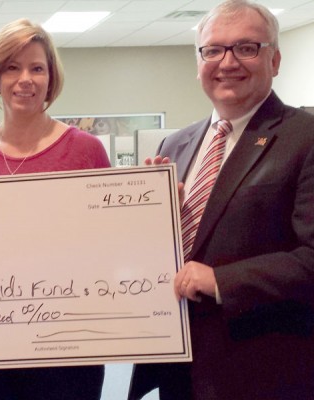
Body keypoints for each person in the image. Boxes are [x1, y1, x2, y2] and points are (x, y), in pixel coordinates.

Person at [128, 1, 314, 399]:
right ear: (199, 63)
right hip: (180, 369)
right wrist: (160, 220)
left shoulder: (305, 137)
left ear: (275, 59)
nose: (227, 62)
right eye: (213, 50)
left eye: (246, 47)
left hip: (263, 369)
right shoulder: (176, 143)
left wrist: (221, 281)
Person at [0, 19, 109, 400]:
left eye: (37, 68)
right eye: (12, 67)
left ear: (51, 78)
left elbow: (106, 243)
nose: (26, 79)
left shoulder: (86, 151)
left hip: (69, 341)